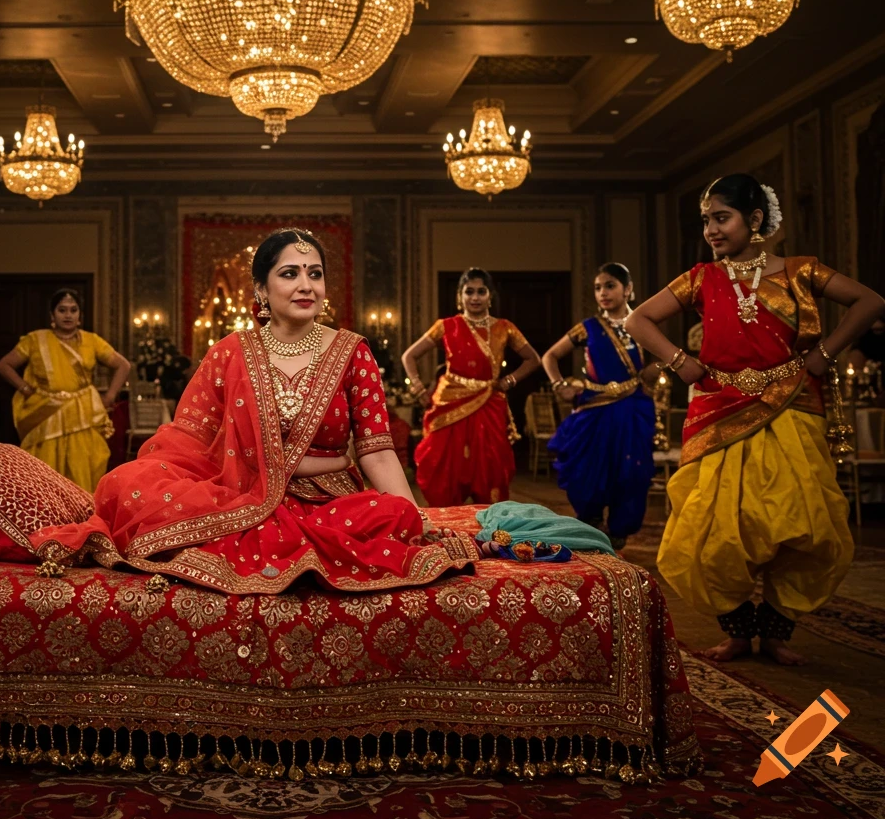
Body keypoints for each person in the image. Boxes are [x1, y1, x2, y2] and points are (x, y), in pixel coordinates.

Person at [78, 230, 602, 595]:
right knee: (135, 488)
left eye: (315, 273)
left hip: (329, 497)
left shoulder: (352, 351)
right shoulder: (229, 353)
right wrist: (250, 480)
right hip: (242, 493)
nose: (306, 284)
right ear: (261, 290)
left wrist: (413, 517)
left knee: (392, 517)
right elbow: (190, 441)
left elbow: (375, 450)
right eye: (290, 273)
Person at [625, 173, 885, 665]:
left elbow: (871, 301)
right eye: (706, 221)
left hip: (792, 410)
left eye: (721, 218)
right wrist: (681, 363)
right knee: (711, 528)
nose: (712, 230)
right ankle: (739, 629)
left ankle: (778, 630)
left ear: (756, 219)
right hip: (718, 410)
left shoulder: (800, 272)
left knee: (803, 524)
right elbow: (638, 319)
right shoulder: (701, 277)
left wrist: (826, 353)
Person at [542, 263, 659, 550]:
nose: (603, 293)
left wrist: (657, 369)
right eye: (598, 288)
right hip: (594, 410)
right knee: (588, 469)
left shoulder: (642, 324)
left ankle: (620, 530)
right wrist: (560, 386)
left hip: (632, 409)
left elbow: (662, 356)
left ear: (627, 289)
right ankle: (591, 522)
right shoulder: (589, 327)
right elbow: (550, 357)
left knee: (630, 472)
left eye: (610, 286)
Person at [402, 268, 541, 506]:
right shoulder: (446, 326)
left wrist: (509, 381)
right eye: (469, 292)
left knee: (491, 467)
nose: (475, 297)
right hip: (449, 404)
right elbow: (409, 356)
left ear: (490, 296)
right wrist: (418, 388)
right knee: (445, 466)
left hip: (489, 403)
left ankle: (488, 527)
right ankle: (447, 527)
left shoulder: (504, 327)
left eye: (481, 292)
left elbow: (534, 359)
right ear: (460, 296)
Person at [0, 289, 131, 491]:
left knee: (86, 464)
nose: (68, 315)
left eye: (73, 310)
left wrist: (110, 396)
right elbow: (4, 365)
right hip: (46, 412)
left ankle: (84, 515)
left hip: (83, 413)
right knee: (44, 467)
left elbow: (123, 365)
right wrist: (24, 387)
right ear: (52, 315)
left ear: (79, 316)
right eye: (62, 310)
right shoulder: (35, 340)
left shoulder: (91, 341)